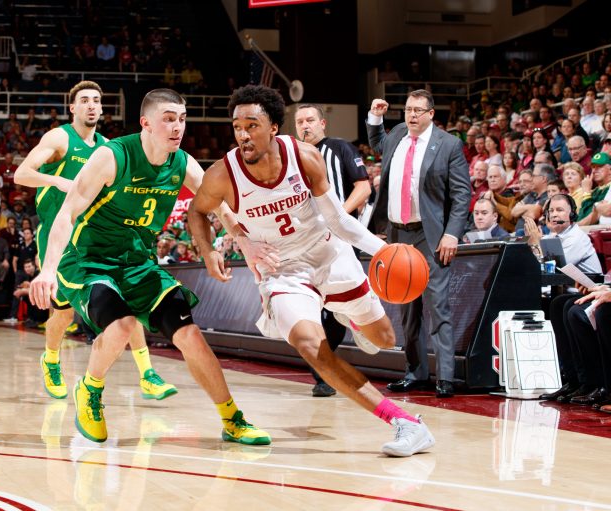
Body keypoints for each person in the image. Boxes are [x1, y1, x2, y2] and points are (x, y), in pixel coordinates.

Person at [189, 84, 435, 457]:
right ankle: (405, 423)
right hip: (281, 270)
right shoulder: (223, 173)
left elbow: (338, 220)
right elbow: (197, 211)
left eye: (251, 126)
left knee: (384, 340)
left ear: (273, 127)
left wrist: (384, 249)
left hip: (327, 254)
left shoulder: (304, 157)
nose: (242, 135)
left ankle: (351, 317)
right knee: (310, 345)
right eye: (237, 126)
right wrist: (213, 250)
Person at [30, 88, 270, 447]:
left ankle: (231, 418)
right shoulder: (112, 156)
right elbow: (67, 213)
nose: (178, 127)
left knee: (190, 334)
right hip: (89, 259)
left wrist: (244, 241)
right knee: (122, 324)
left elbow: (217, 206)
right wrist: (47, 270)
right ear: (146, 123)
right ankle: (90, 390)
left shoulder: (183, 163)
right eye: (169, 119)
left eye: (183, 119)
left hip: (138, 262)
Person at [14, 81, 177, 401]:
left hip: (94, 234)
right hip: (58, 233)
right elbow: (22, 174)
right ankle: (50, 358)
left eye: (97, 100)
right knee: (61, 312)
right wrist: (58, 181)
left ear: (102, 109)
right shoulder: (60, 138)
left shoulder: (109, 147)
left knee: (127, 298)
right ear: (72, 108)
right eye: (84, 100)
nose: (91, 105)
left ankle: (147, 373)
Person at [367, 89, 471, 398]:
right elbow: (377, 145)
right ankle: (415, 373)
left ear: (430, 115)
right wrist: (376, 117)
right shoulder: (398, 132)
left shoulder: (449, 144)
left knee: (437, 306)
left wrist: (452, 233)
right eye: (408, 110)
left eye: (417, 111)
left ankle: (446, 377)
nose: (411, 115)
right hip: (398, 233)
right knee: (406, 308)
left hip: (431, 235)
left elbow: (462, 194)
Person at [293, 103, 372, 397]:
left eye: (310, 120)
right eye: (299, 121)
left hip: (338, 239)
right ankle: (323, 371)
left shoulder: (340, 148)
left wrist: (337, 217)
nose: (305, 126)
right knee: (313, 307)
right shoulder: (290, 159)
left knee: (334, 306)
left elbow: (363, 188)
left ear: (322, 123)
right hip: (304, 242)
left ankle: (326, 367)